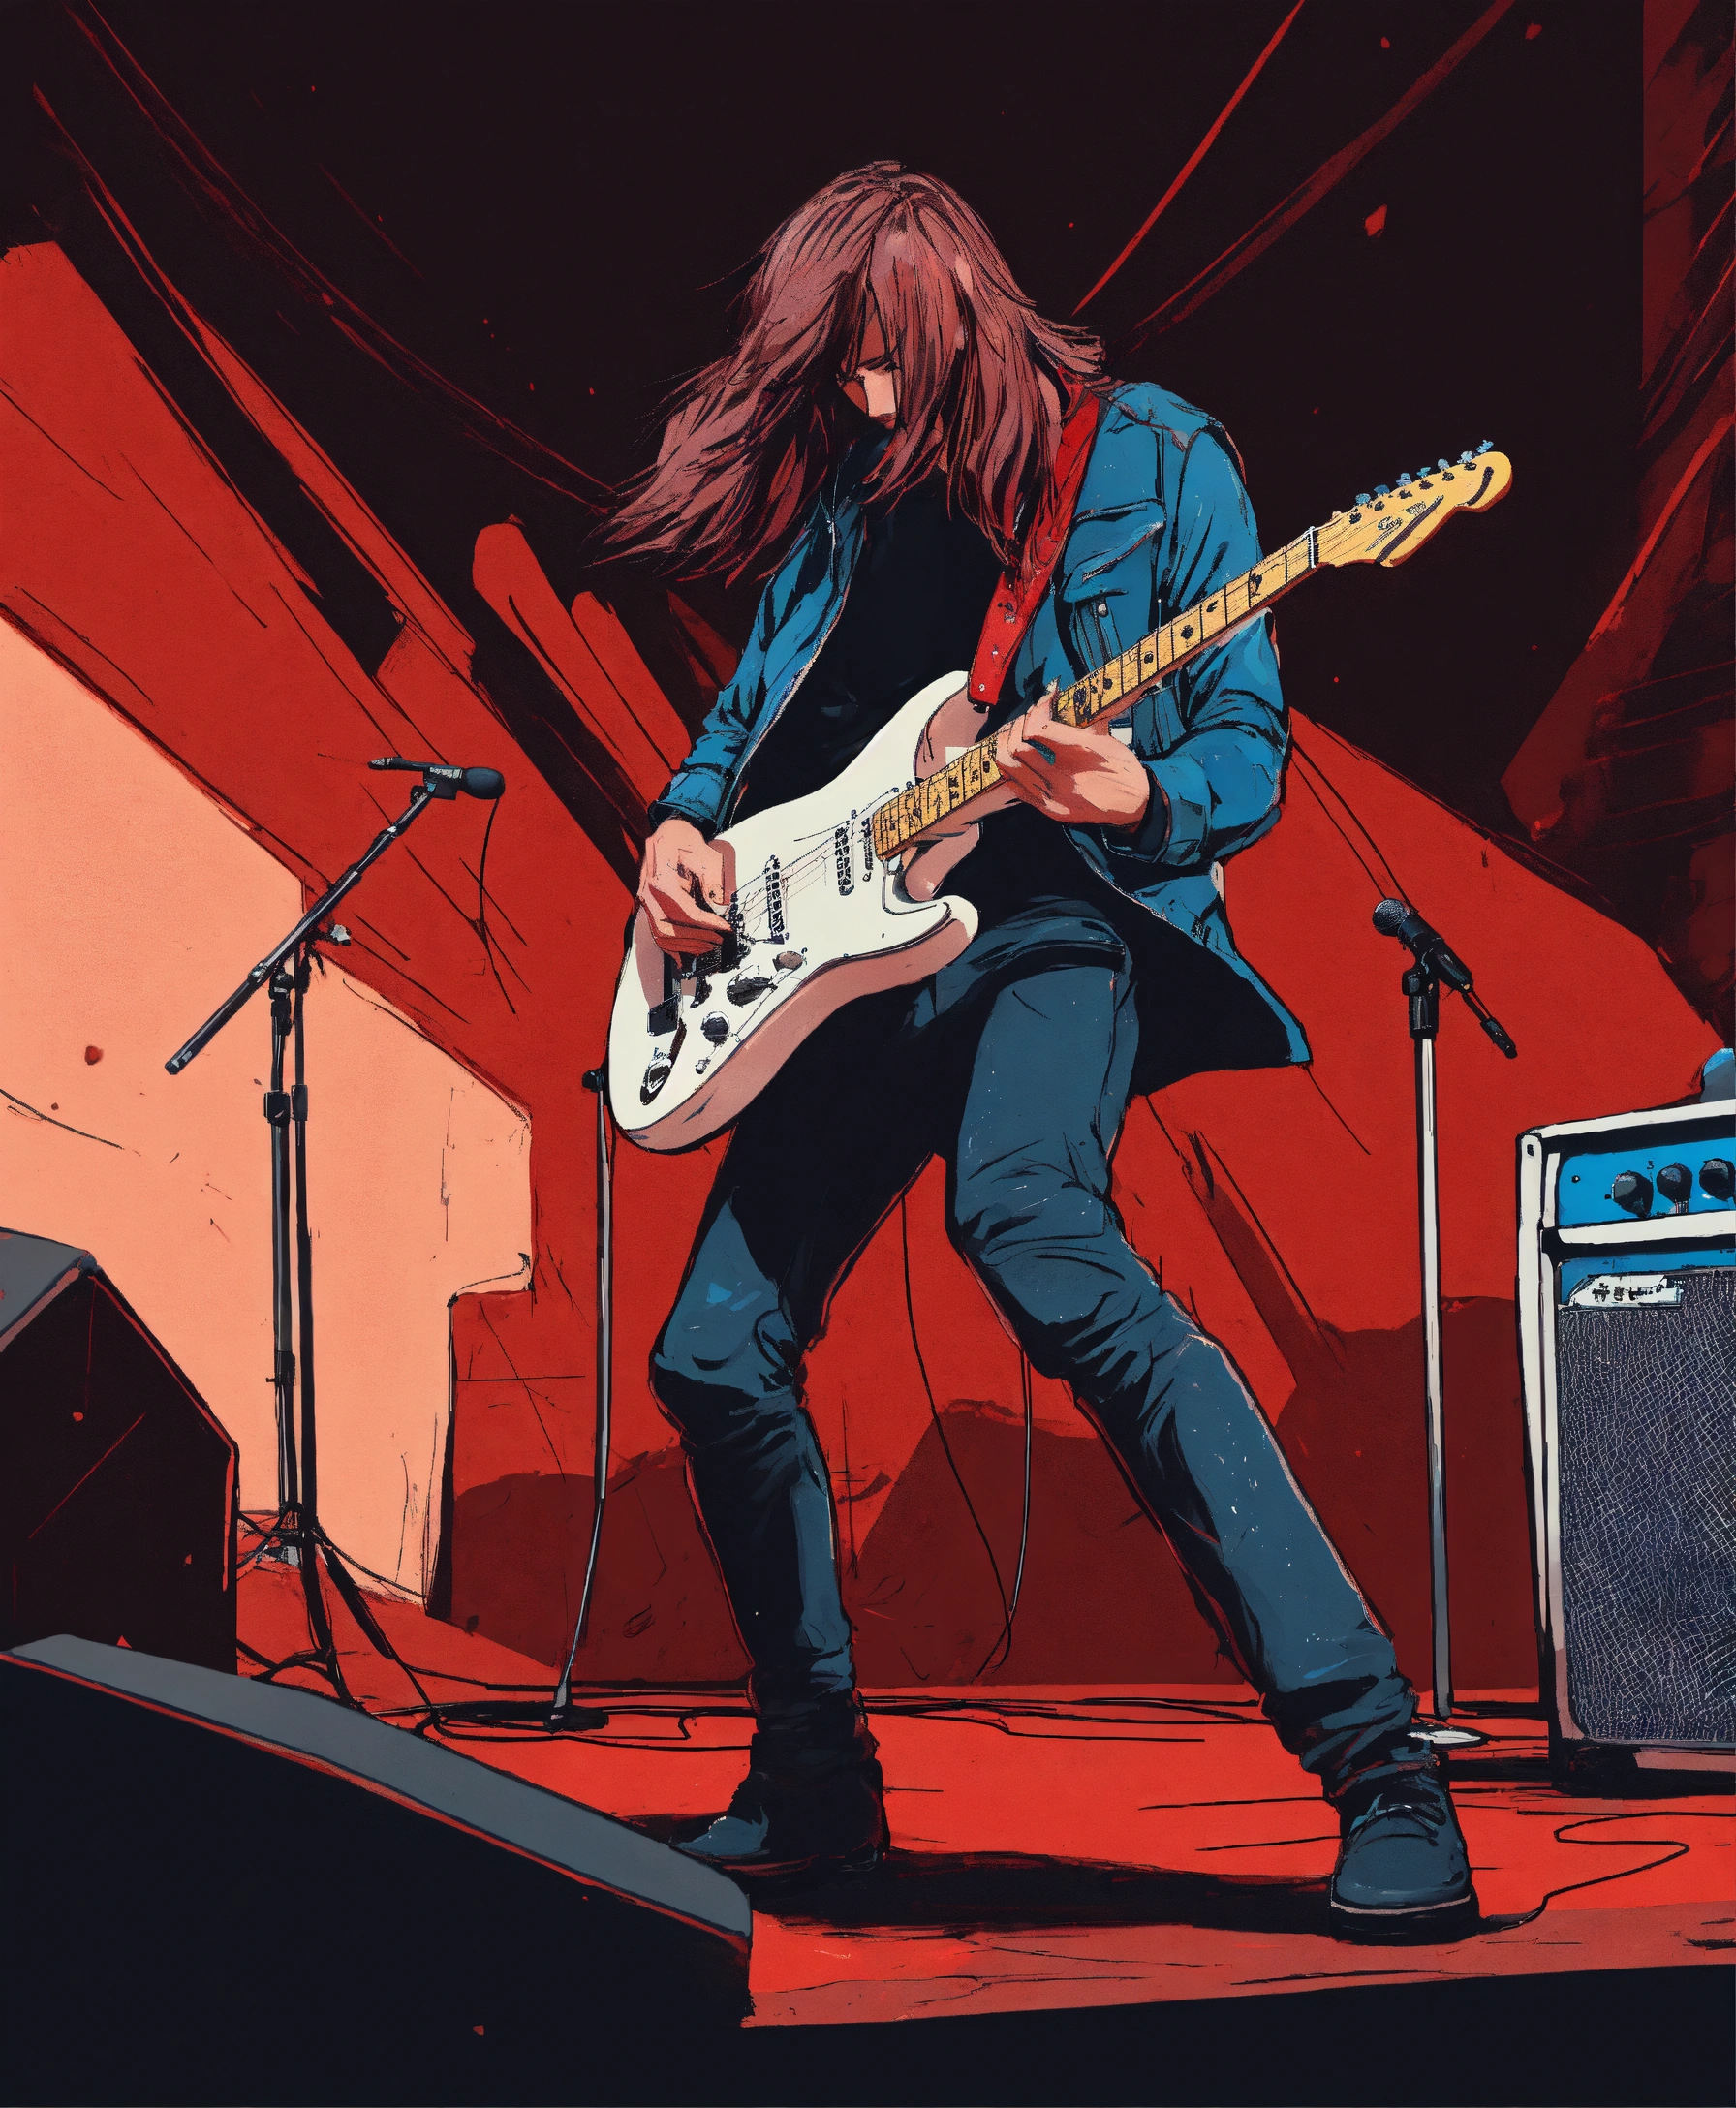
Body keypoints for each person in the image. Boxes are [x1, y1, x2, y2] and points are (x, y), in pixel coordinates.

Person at [598, 163, 1475, 1937]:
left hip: (1056, 927)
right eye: (836, 371)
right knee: (711, 1352)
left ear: (958, 319)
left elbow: (1246, 748)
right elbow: (754, 712)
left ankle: (1382, 1764)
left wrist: (1140, 789)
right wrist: (683, 825)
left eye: (880, 361)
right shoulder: (852, 499)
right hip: (841, 956)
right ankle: (815, 1780)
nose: (862, 400)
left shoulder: (1157, 458)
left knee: (1034, 1229)